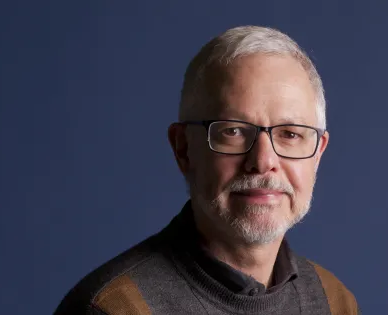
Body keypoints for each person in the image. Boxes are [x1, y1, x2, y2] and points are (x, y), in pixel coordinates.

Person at [54, 25, 360, 315]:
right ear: (183, 148)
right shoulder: (114, 308)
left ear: (317, 154)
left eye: (290, 134)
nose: (264, 160)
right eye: (234, 131)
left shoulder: (333, 302)